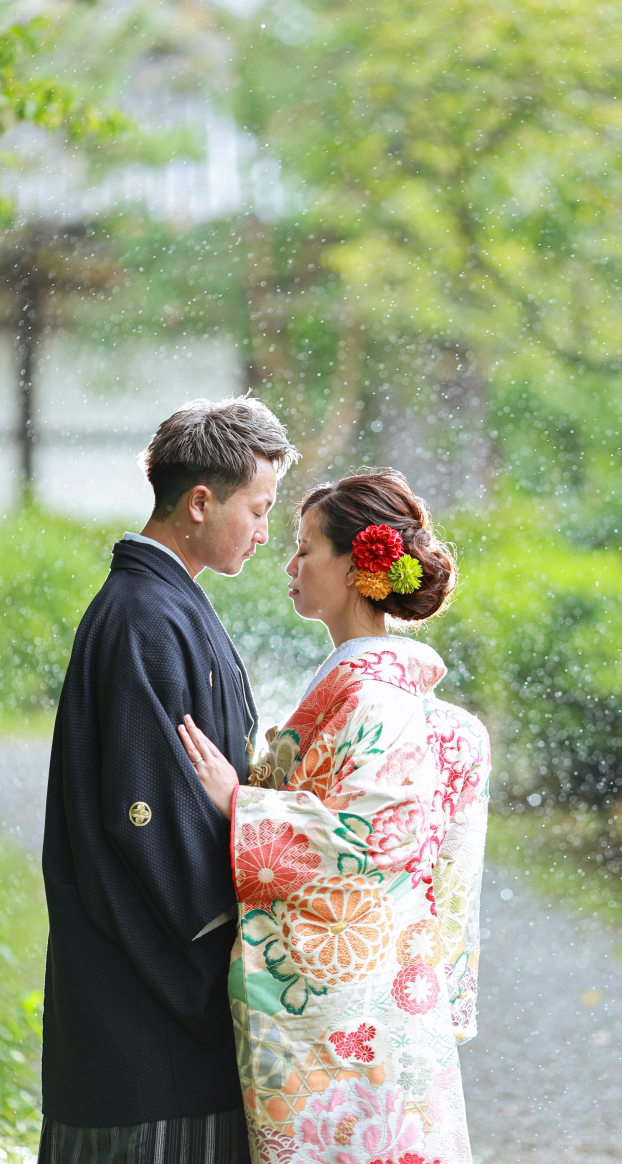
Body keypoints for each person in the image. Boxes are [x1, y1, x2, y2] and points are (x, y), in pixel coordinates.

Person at [177, 470, 491, 1164]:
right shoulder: (382, 694)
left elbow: (368, 839)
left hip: (354, 1005)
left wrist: (241, 803)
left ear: (359, 566)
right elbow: (451, 885)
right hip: (386, 997)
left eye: (306, 548)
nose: (289, 565)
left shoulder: (374, 699)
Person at [39, 396, 298, 1164]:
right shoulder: (143, 617)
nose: (263, 530)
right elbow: (141, 814)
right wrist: (244, 944)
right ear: (198, 502)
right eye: (259, 508)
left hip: (151, 997)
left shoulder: (165, 605)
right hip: (145, 1004)